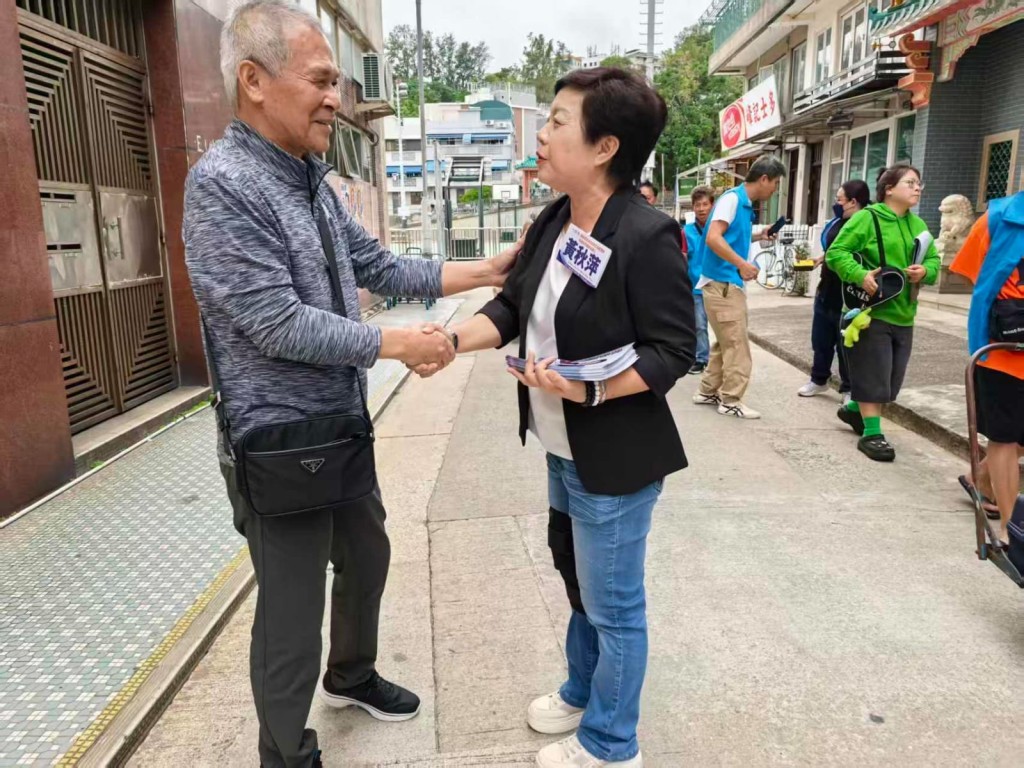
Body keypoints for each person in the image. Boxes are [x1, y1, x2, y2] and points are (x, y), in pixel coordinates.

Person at [183, 3, 521, 766]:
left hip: (339, 425)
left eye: (337, 79)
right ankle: (285, 749)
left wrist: (491, 268)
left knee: (367, 555)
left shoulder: (312, 181)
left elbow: (382, 268)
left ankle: (353, 673)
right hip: (277, 441)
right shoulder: (223, 186)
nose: (336, 96)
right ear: (254, 81)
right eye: (322, 79)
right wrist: (395, 343)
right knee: (290, 612)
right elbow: (275, 322)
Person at [413, 67, 695, 768]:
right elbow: (513, 308)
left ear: (605, 147)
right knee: (576, 577)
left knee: (614, 603)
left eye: (558, 122)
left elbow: (673, 350)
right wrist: (450, 342)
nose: (541, 135)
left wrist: (593, 393)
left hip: (616, 453)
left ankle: (610, 744)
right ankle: (581, 691)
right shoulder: (555, 218)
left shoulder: (647, 234)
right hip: (562, 445)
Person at [826, 165, 940, 462]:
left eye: (919, 183)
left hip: (905, 312)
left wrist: (925, 271)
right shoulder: (867, 217)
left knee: (890, 383)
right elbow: (836, 253)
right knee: (873, 375)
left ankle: (853, 410)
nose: (917, 188)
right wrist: (860, 274)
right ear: (889, 188)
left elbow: (934, 260)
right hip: (871, 312)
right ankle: (872, 433)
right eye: (910, 183)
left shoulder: (918, 226)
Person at [950, 190, 1024, 544]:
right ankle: (1012, 531)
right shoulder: (998, 220)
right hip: (1003, 353)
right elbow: (971, 276)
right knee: (1005, 437)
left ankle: (980, 477)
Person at [692, 155, 785, 419]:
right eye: (775, 183)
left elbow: (729, 236)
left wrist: (760, 233)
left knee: (725, 343)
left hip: (722, 284)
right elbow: (713, 238)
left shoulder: (741, 204)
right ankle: (731, 399)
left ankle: (707, 391)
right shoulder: (733, 200)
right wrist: (742, 264)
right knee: (737, 345)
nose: (775, 189)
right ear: (764, 179)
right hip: (723, 284)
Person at [797, 180, 870, 398]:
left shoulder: (863, 226)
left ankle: (849, 388)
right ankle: (819, 379)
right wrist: (820, 259)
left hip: (847, 294)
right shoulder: (838, 222)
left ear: (853, 202)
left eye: (840, 200)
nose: (836, 204)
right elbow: (834, 250)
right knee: (821, 339)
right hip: (826, 288)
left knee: (845, 343)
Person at [682, 186, 714, 374]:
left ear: (712, 205)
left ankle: (721, 360)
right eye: (697, 205)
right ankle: (702, 358)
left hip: (718, 284)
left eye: (705, 204)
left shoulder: (720, 227)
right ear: (692, 208)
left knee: (721, 327)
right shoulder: (686, 232)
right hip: (696, 287)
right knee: (699, 325)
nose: (701, 209)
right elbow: (682, 257)